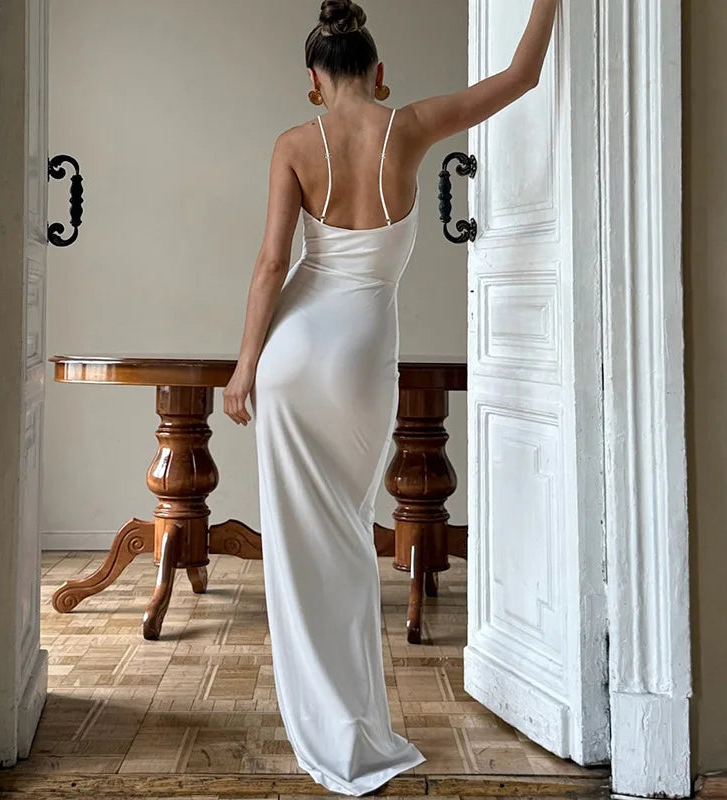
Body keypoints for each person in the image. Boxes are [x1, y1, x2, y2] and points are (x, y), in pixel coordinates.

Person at [223, 0, 558, 794]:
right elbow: (522, 75)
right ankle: (357, 728)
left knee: (306, 548)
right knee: (347, 533)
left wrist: (243, 369)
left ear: (313, 81)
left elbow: (272, 266)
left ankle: (331, 728)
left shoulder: (293, 145)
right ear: (378, 71)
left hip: (291, 356)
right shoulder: (410, 126)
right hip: (362, 354)